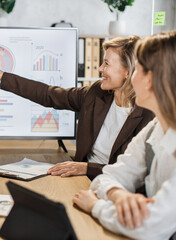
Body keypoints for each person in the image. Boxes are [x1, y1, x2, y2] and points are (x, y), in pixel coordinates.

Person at [0, 36, 154, 180]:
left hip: (115, 187)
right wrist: (1, 75)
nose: (100, 68)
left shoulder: (148, 114)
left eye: (107, 64)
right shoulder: (96, 93)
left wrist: (87, 168)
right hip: (80, 177)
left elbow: (136, 172)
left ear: (127, 71)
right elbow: (50, 94)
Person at [72, 31, 176, 240]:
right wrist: (118, 195)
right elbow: (110, 176)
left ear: (151, 79)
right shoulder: (155, 129)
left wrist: (96, 206)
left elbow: (149, 227)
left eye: (138, 68)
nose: (132, 75)